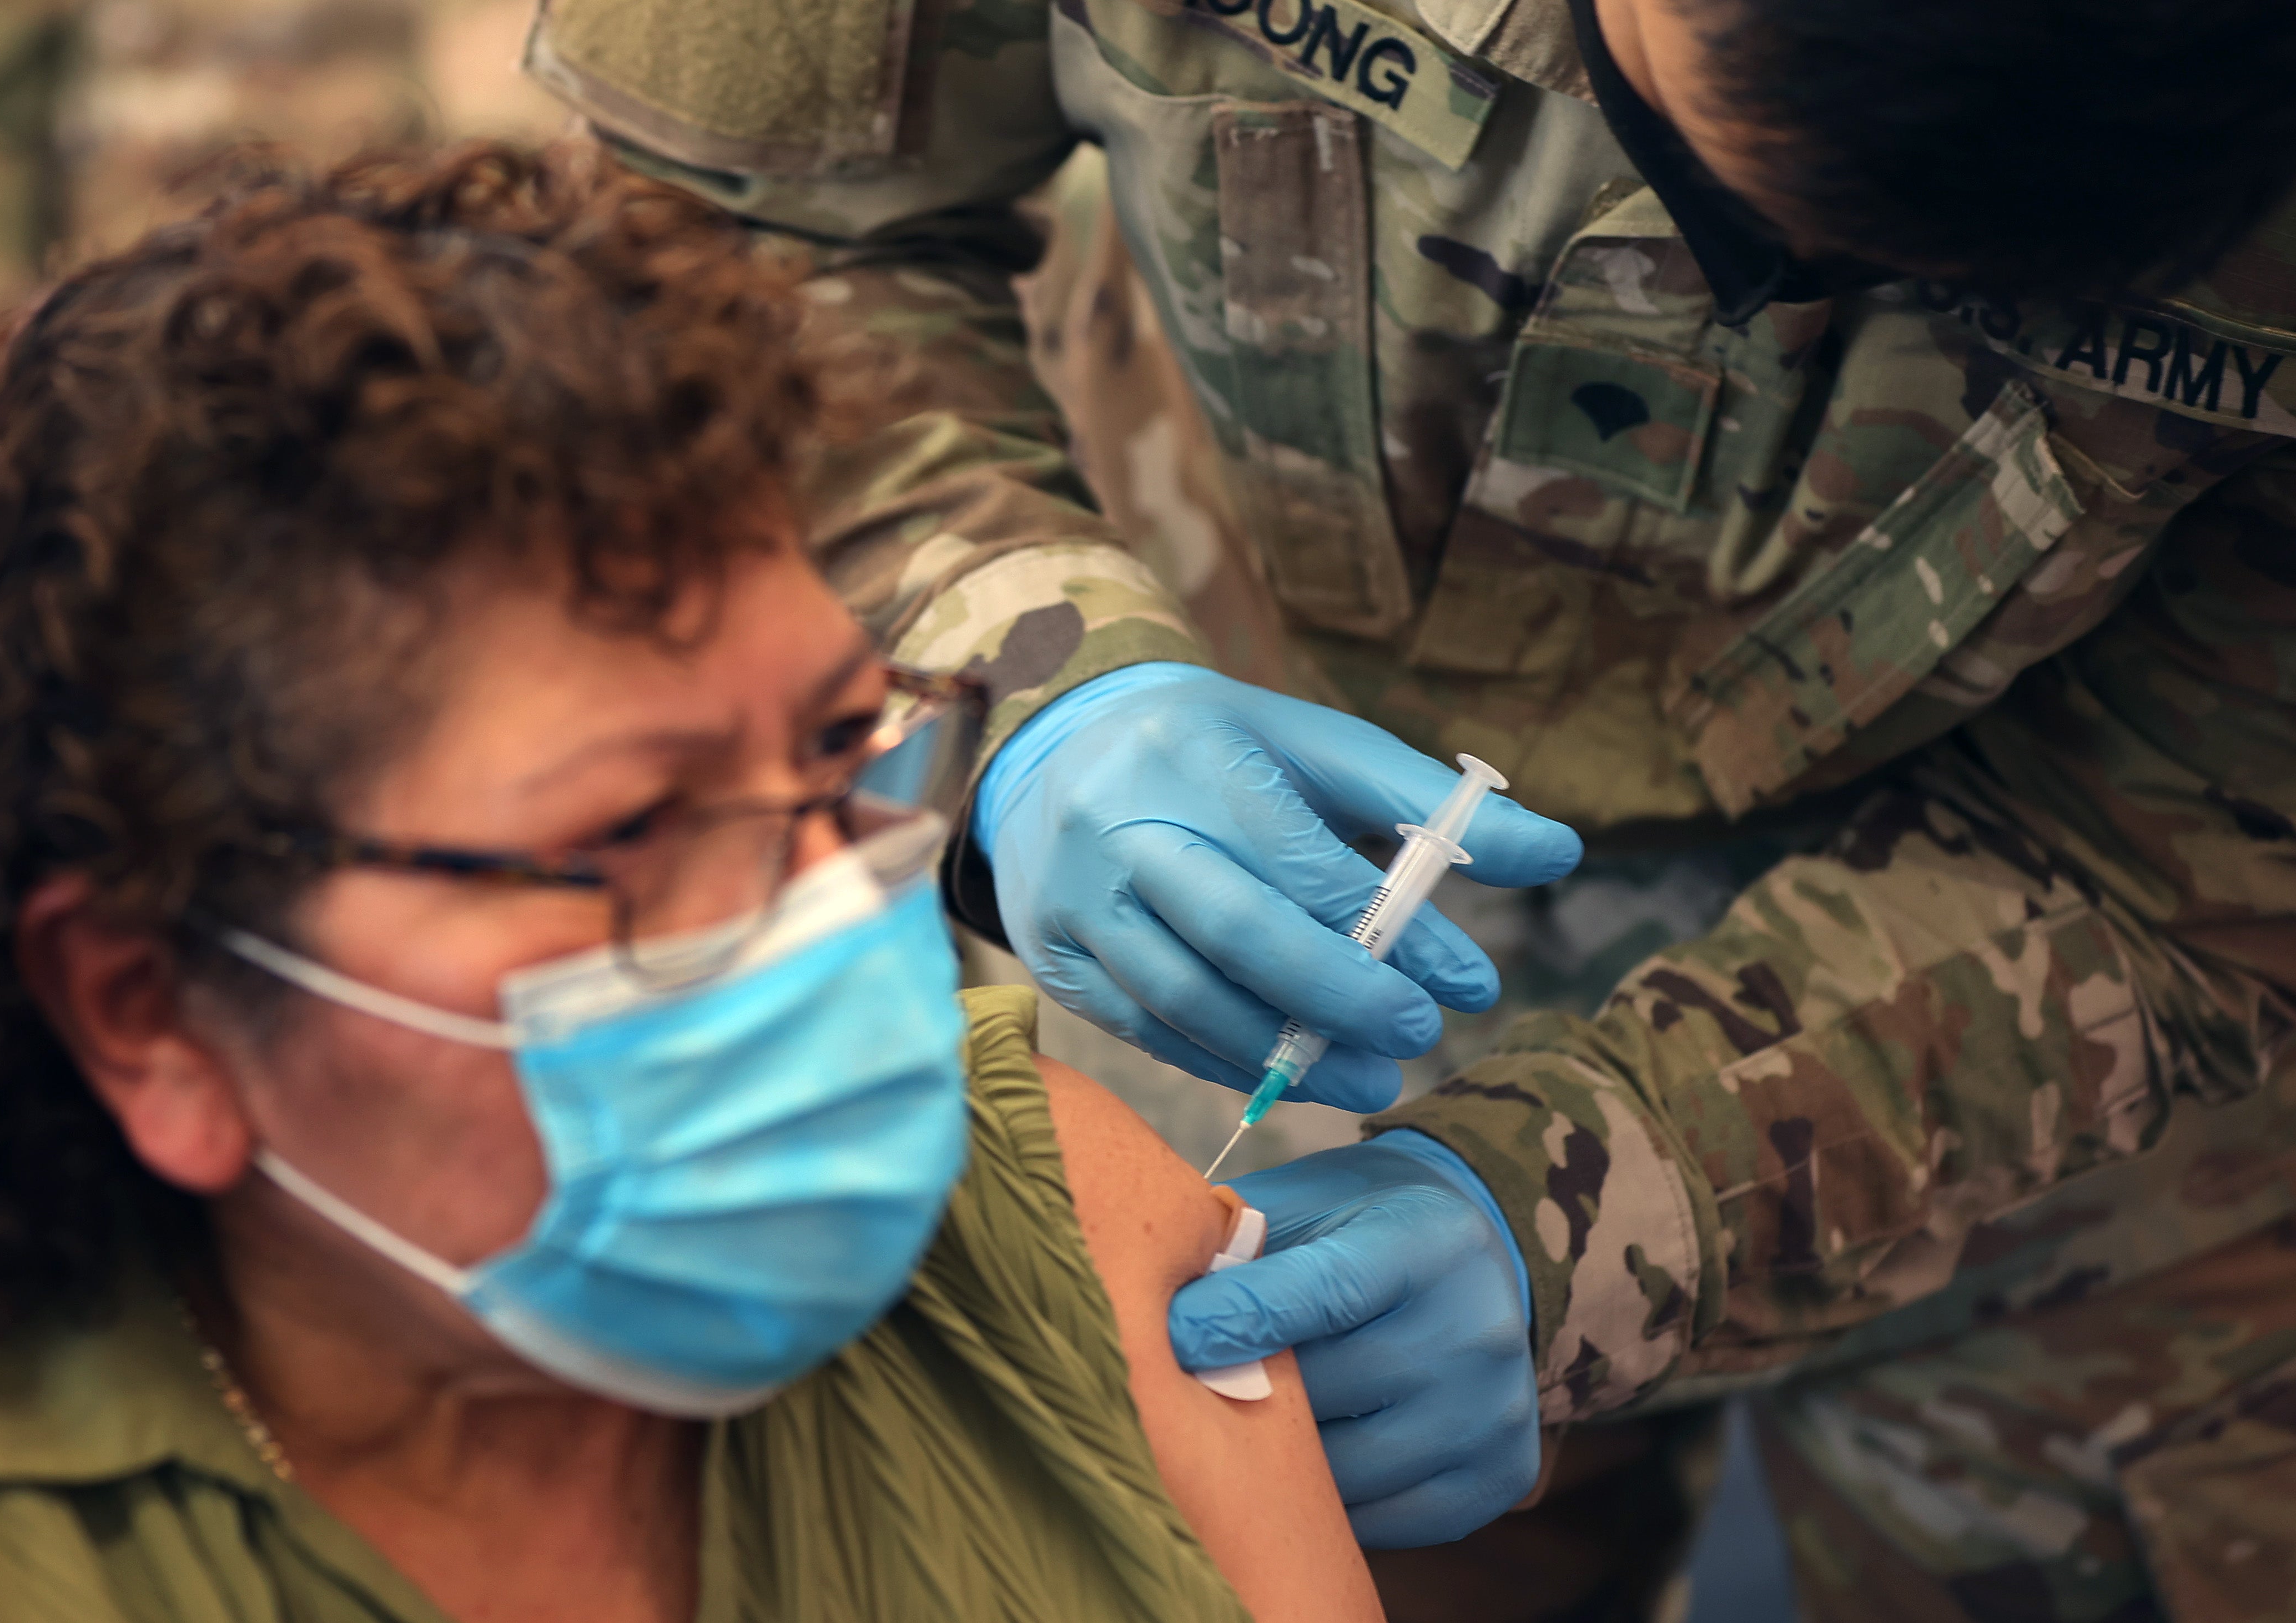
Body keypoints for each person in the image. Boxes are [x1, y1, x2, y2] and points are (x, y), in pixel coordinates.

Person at [516, 0, 2296, 1610]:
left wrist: (1616, 1210)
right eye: (1701, 158)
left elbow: (2182, 849)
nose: (1773, 289)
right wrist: (1019, 667)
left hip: (2087, 1105)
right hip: (1226, 809)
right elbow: (716, 230)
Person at [0, 142, 1385, 1623]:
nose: (835, 917)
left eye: (840, 749)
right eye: (638, 833)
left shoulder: (1061, 1223)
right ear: (152, 1013)